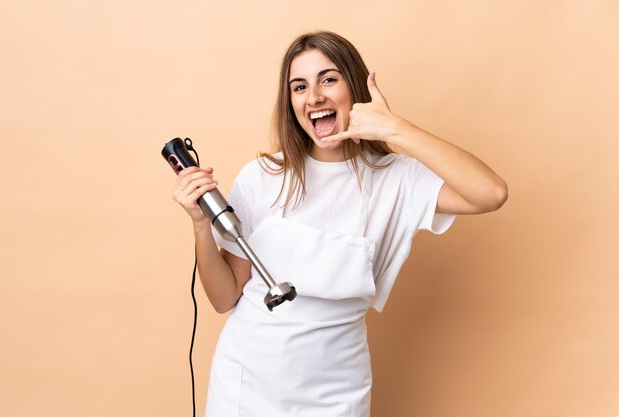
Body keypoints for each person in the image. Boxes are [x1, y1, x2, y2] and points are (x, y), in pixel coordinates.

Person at [171, 31, 507, 417]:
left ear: (355, 88)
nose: (314, 96)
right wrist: (200, 224)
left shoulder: (395, 179)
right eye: (299, 87)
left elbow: (491, 193)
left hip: (336, 393)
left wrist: (393, 128)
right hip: (246, 386)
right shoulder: (263, 176)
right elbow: (223, 297)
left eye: (328, 79)